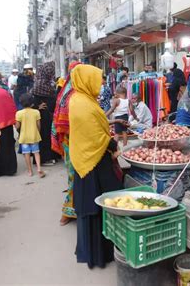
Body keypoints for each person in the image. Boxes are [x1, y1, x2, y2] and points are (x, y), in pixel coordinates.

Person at [69, 64, 123, 269]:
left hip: (88, 158)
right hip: (92, 161)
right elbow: (94, 136)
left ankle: (96, 252)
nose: (101, 83)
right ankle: (98, 254)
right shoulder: (82, 104)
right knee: (97, 205)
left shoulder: (82, 99)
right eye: (98, 79)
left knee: (94, 205)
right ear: (87, 80)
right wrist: (113, 144)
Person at [52, 61, 81, 226]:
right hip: (73, 140)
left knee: (74, 175)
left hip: (70, 140)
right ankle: (69, 210)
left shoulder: (67, 89)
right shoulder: (74, 93)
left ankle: (74, 208)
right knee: (76, 175)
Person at [32, 61, 59, 166]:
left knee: (50, 135)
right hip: (42, 115)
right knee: (44, 136)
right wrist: (37, 107)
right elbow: (32, 100)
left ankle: (52, 156)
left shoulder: (48, 82)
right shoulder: (39, 84)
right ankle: (44, 159)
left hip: (49, 114)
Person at [16, 93, 45, 178]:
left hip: (24, 137)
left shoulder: (19, 113)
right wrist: (38, 132)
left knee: (26, 154)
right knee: (36, 152)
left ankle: (30, 171)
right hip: (34, 136)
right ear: (32, 103)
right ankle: (39, 168)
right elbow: (38, 125)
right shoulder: (36, 112)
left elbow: (17, 126)